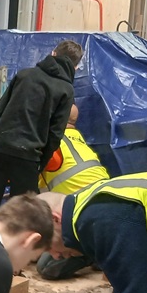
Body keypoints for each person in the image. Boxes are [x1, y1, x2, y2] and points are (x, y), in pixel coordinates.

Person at [0, 40, 83, 222]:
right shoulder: (66, 90)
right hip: (28, 158)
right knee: (23, 220)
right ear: (75, 66)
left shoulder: (24, 75)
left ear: (53, 53)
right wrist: (39, 163)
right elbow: (55, 134)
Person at [34, 103, 109, 280]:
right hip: (102, 210)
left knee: (46, 266)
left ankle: (90, 251)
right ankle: (98, 249)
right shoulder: (78, 140)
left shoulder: (51, 143)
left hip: (84, 217)